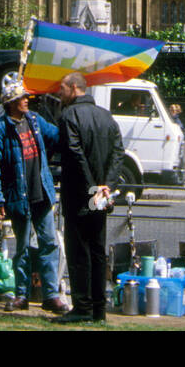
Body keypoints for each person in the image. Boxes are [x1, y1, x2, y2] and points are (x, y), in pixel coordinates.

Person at [0, 74, 69, 314]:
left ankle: (51, 295)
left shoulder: (36, 120)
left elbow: (59, 137)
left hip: (42, 193)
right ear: (10, 102)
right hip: (18, 198)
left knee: (49, 243)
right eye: (22, 97)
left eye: (26, 96)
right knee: (21, 248)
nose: (27, 100)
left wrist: (72, 118)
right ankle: (21, 294)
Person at [55, 70, 124, 325]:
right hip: (101, 194)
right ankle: (99, 309)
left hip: (79, 194)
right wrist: (107, 186)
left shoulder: (69, 115)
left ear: (74, 88)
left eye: (62, 88)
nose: (58, 93)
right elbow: (118, 152)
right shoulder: (106, 116)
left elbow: (74, 154)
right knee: (97, 251)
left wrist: (92, 187)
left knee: (78, 252)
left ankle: (82, 306)